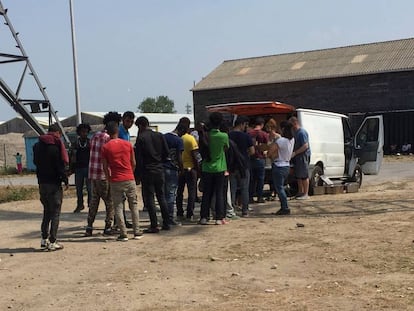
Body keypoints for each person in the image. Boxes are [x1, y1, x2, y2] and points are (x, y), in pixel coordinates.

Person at [101, 121, 142, 241]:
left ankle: (123, 233)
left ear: (107, 133)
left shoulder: (106, 147)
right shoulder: (127, 144)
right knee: (133, 205)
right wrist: (131, 172)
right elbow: (133, 162)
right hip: (129, 177)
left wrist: (109, 178)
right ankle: (137, 231)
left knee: (118, 206)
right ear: (117, 131)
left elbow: (105, 166)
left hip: (115, 179)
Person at [85, 111, 122, 237]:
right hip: (104, 174)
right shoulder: (108, 139)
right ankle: (108, 227)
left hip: (93, 174)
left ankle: (89, 226)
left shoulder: (95, 136)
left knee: (94, 201)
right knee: (110, 201)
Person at [33, 124, 69, 251]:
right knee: (55, 213)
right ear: (58, 133)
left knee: (46, 212)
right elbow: (59, 166)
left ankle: (44, 240)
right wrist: (65, 179)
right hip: (54, 183)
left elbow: (35, 162)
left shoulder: (37, 146)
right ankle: (53, 241)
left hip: (42, 183)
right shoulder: (55, 147)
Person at [134, 116, 170, 233]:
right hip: (159, 169)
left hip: (147, 171)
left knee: (149, 198)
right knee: (161, 196)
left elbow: (139, 160)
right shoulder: (159, 135)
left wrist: (137, 176)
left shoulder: (141, 138)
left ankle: (154, 225)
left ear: (140, 126)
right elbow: (166, 153)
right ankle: (166, 222)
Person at [199, 112, 229, 225]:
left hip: (206, 167)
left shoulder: (205, 135)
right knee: (220, 193)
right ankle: (219, 217)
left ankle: (204, 217)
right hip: (220, 167)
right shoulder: (223, 136)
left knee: (206, 193)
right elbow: (226, 148)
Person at [228, 116, 255, 217]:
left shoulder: (228, 135)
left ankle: (231, 210)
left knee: (232, 188)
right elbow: (252, 151)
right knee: (244, 188)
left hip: (232, 165)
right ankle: (245, 211)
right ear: (242, 124)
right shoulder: (246, 136)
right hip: (244, 165)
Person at [268, 121, 295, 215]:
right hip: (286, 164)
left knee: (279, 188)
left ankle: (285, 207)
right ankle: (284, 206)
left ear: (283, 129)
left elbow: (270, 152)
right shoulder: (292, 140)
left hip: (279, 164)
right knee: (281, 187)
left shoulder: (281, 141)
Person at [176, 121, 200, 222]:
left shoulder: (177, 139)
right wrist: (198, 168)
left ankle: (179, 212)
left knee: (179, 192)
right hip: (191, 169)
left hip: (180, 169)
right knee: (191, 192)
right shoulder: (190, 139)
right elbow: (195, 155)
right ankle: (189, 213)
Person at [116, 111, 135, 228]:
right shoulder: (119, 131)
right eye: (128, 121)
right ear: (123, 119)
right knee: (119, 197)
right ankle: (118, 222)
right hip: (119, 166)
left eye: (132, 121)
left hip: (126, 165)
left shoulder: (127, 132)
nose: (130, 123)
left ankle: (122, 220)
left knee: (124, 197)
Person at [163, 123, 186, 225]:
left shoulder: (164, 137)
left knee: (163, 195)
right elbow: (179, 157)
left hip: (162, 168)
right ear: (181, 130)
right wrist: (182, 169)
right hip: (172, 169)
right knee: (171, 195)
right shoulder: (178, 140)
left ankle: (165, 218)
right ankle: (170, 218)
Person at [70, 123, 92, 213]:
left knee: (90, 188)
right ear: (79, 133)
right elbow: (71, 157)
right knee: (79, 188)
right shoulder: (75, 143)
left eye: (86, 132)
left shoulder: (90, 143)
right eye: (83, 132)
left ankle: (91, 205)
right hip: (78, 169)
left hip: (88, 168)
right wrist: (71, 169)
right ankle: (80, 204)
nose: (85, 134)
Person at [248, 117, 269, 204]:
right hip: (260, 158)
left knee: (251, 179)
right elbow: (265, 147)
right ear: (262, 125)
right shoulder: (264, 134)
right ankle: (260, 197)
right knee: (260, 179)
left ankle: (250, 197)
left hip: (250, 159)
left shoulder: (249, 133)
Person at [289, 116, 311, 200]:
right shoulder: (296, 132)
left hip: (303, 156)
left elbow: (305, 145)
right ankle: (300, 191)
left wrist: (295, 152)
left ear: (295, 123)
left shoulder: (302, 132)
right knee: (298, 175)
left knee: (304, 175)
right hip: (297, 157)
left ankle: (306, 193)